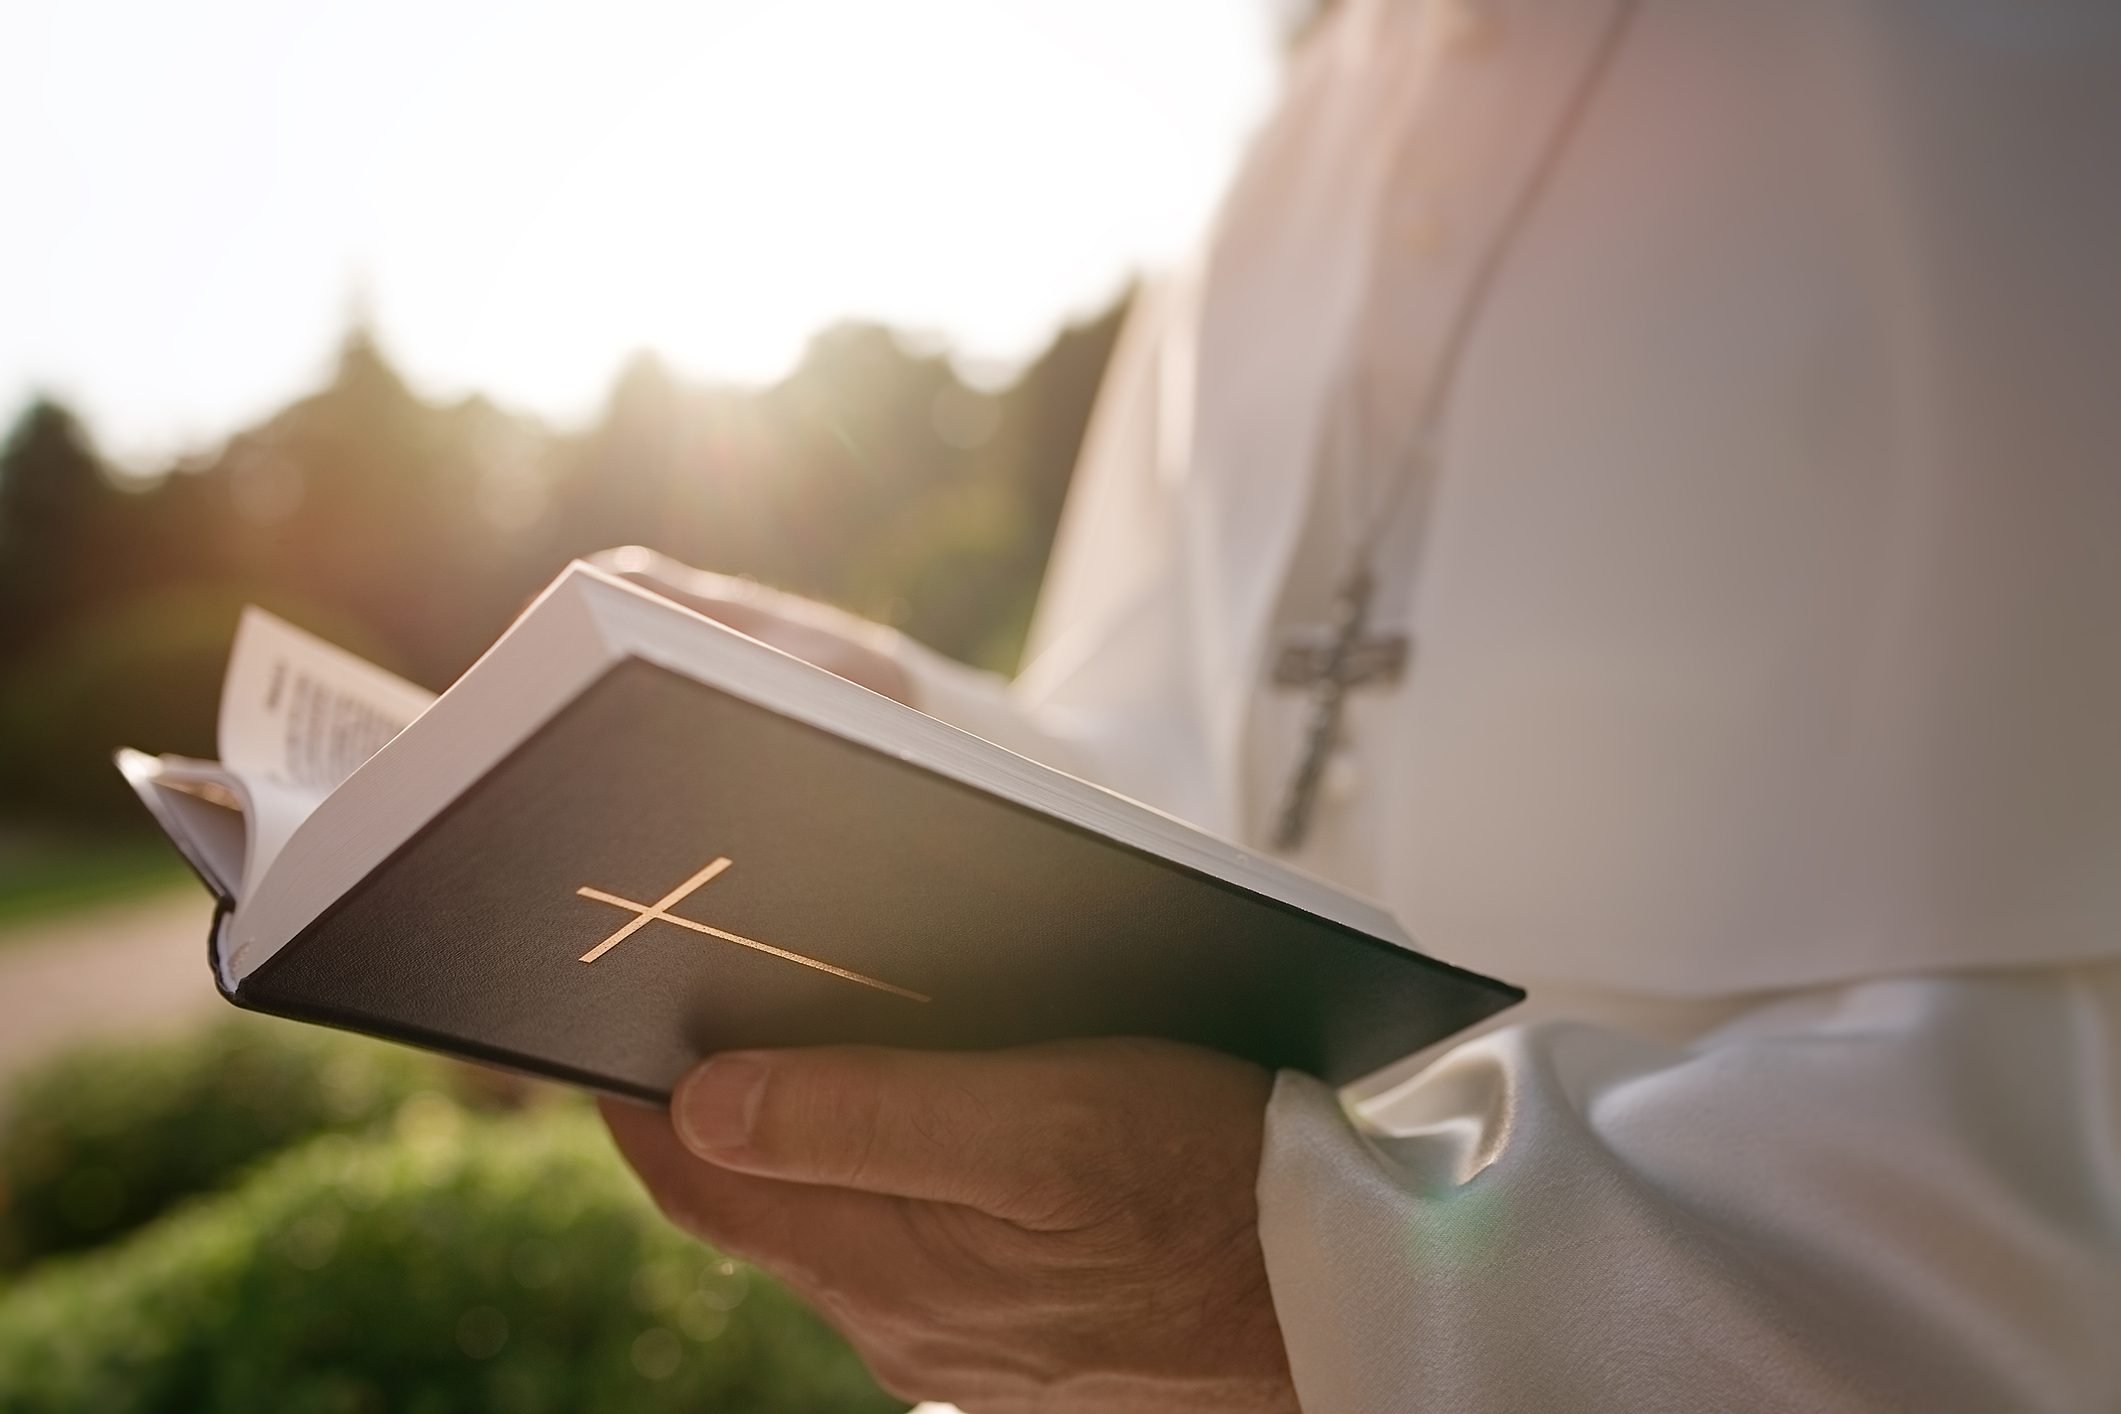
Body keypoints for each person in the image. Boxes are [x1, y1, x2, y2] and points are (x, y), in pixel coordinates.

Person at [598, 2, 2121, 1409]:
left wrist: (1328, 1295)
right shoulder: (1285, 155)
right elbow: (1214, 772)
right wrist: (896, 725)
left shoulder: (2037, 68)